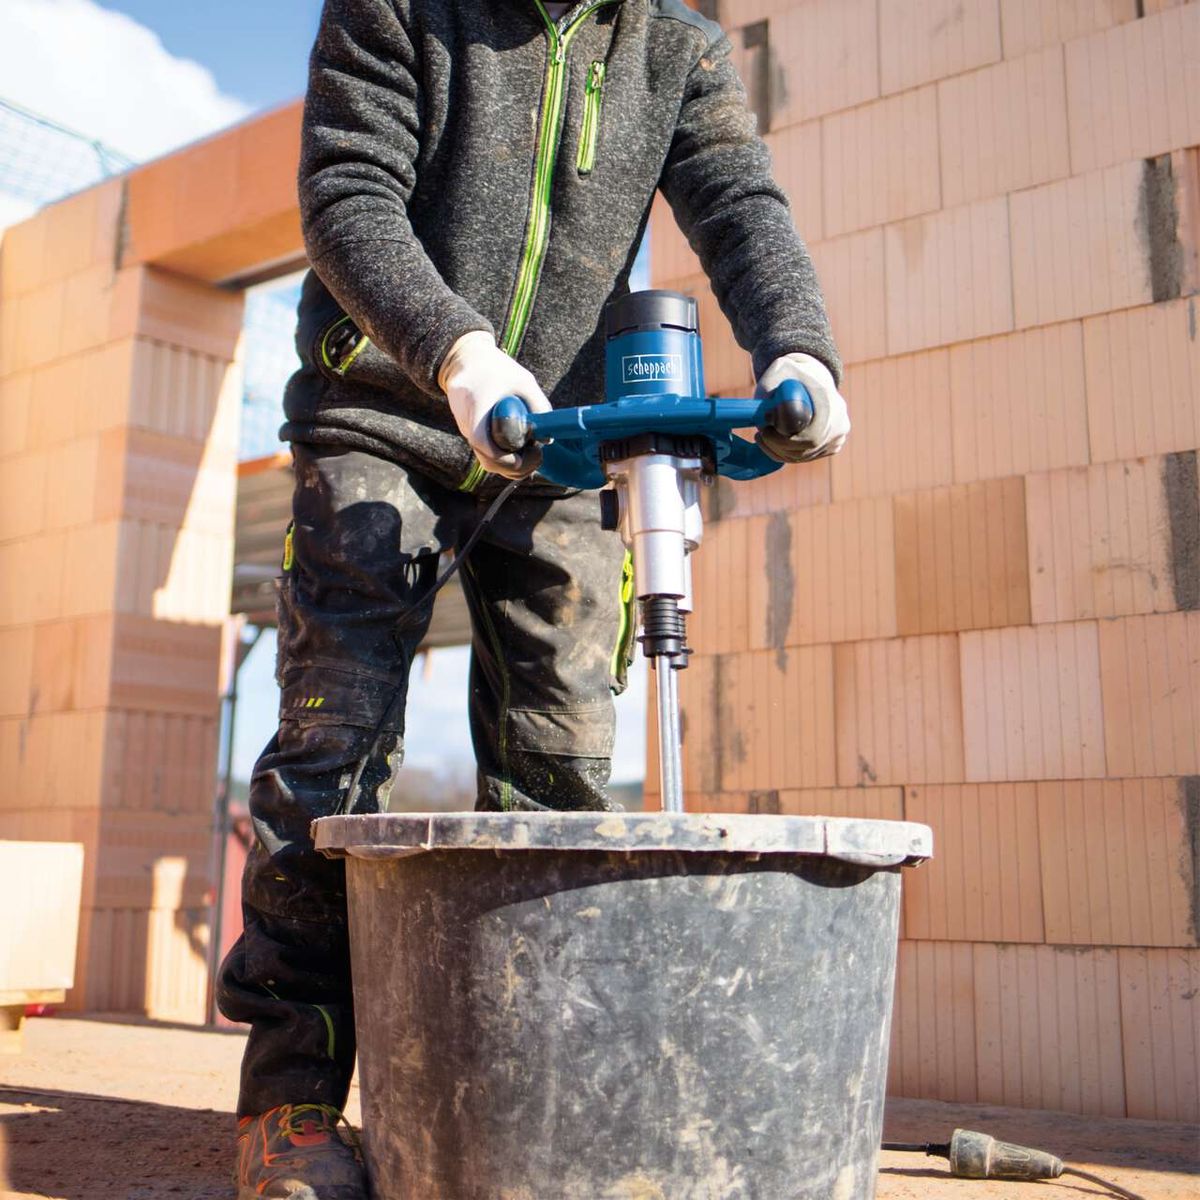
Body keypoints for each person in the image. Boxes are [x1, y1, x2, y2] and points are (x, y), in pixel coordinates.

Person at [218, 1, 849, 1196]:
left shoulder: (677, 45)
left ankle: (529, 1077)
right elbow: (348, 194)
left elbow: (740, 207)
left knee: (561, 751)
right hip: (387, 416)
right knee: (331, 746)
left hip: (556, 436)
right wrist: (455, 354)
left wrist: (799, 352)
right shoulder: (394, 9)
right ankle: (292, 1102)